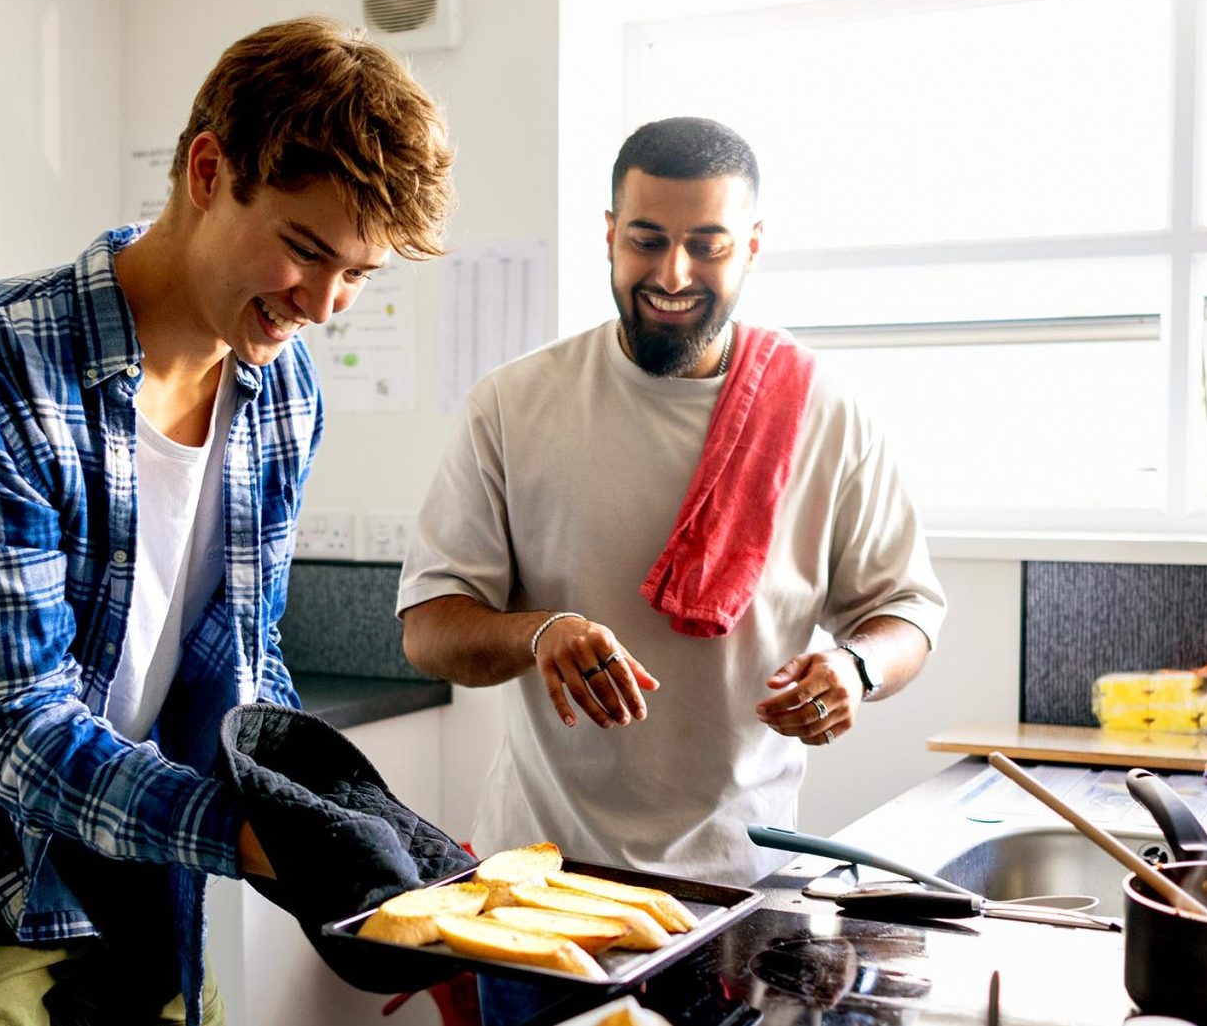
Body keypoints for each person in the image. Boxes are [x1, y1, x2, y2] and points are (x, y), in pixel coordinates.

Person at [0, 17, 452, 1026]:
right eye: (304, 249)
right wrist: (242, 831)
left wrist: (336, 811)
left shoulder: (281, 392)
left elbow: (241, 647)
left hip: (127, 817)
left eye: (358, 272)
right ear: (206, 168)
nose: (322, 301)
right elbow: (10, 723)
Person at [397, 116, 946, 889]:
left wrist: (856, 667)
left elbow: (907, 610)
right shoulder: (513, 405)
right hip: (540, 874)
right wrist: (538, 632)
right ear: (611, 234)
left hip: (750, 875)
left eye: (709, 245)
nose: (675, 273)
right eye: (647, 240)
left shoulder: (824, 409)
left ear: (751, 246)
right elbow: (428, 629)